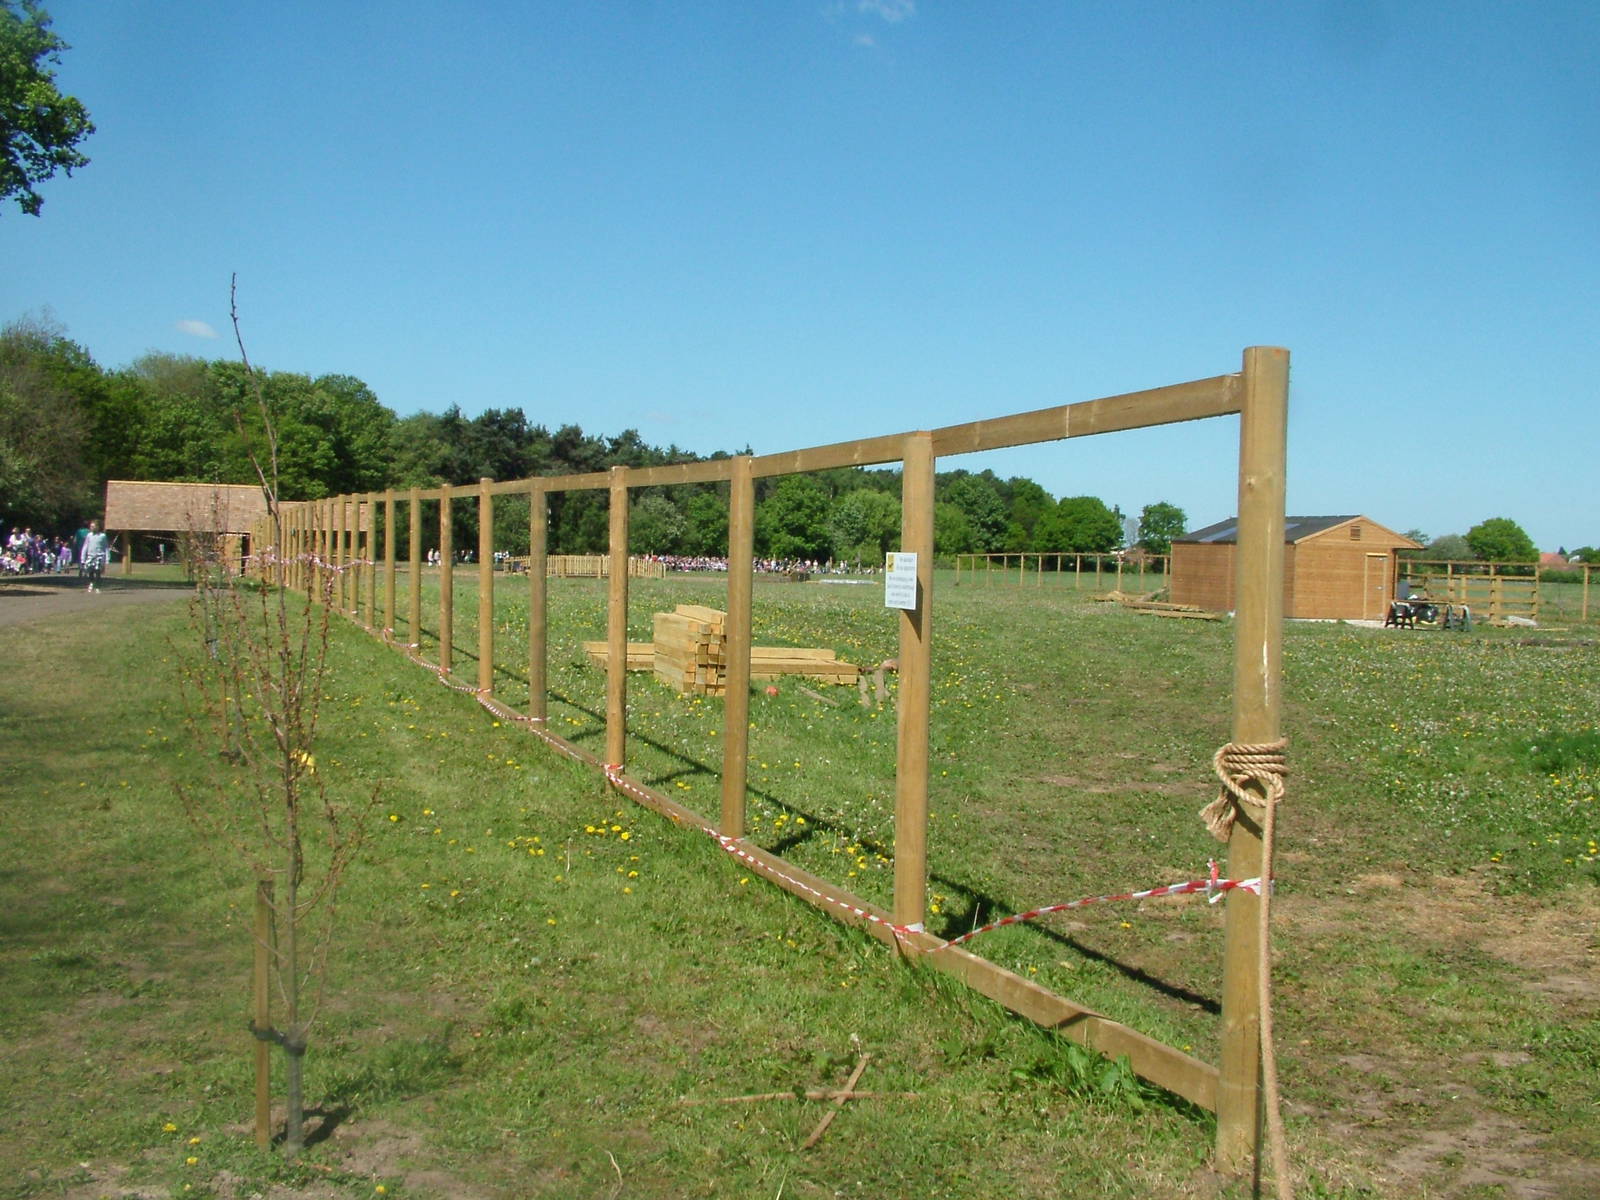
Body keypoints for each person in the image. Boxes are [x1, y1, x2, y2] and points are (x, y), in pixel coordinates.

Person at [80, 520, 111, 592]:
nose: (91, 528)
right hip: (90, 556)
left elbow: (106, 547)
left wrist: (107, 558)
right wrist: (83, 558)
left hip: (99, 556)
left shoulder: (102, 536)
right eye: (91, 526)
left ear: (97, 527)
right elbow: (85, 546)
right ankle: (91, 582)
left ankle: (97, 587)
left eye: (93, 526)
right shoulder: (89, 535)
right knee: (89, 570)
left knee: (97, 571)